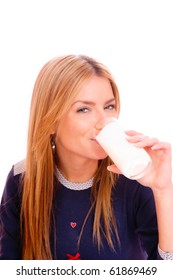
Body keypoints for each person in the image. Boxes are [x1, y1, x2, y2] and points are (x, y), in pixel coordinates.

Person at [0, 55, 173, 260]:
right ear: (51, 121)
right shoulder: (22, 178)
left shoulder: (135, 177)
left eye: (109, 106)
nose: (104, 122)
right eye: (84, 109)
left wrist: (163, 190)